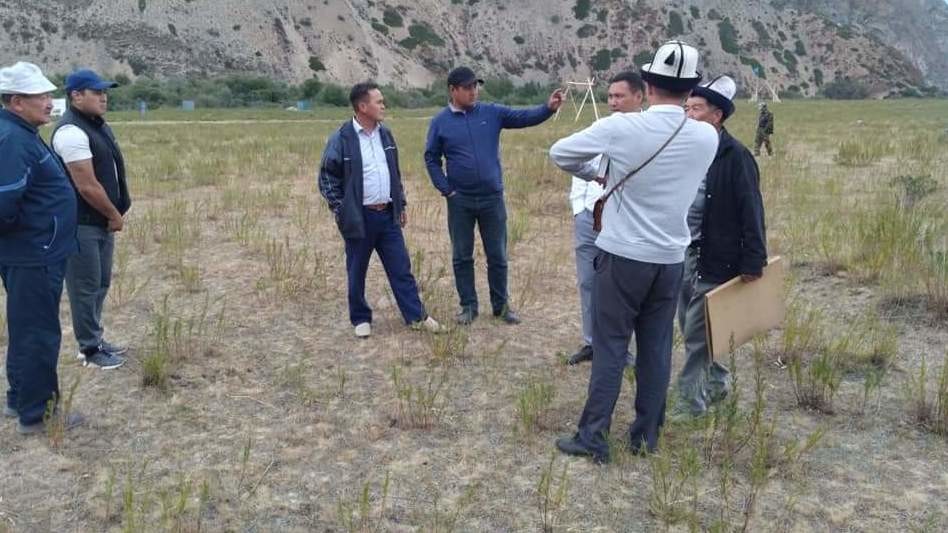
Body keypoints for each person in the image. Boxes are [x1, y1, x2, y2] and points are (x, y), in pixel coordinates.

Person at [549, 41, 718, 461]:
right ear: (690, 89)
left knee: (610, 347)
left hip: (622, 254)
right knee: (656, 350)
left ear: (648, 86)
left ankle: (593, 436)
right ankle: (645, 437)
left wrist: (598, 173)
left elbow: (560, 152)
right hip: (670, 257)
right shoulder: (705, 136)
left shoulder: (623, 127)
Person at [424, 67, 564, 325]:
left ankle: (501, 307)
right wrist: (447, 189)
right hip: (460, 200)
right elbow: (431, 158)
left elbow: (523, 117)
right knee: (462, 256)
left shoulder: (491, 112)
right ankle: (468, 307)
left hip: (492, 199)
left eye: (475, 86)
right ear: (453, 90)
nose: (473, 91)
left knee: (498, 255)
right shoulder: (440, 122)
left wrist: (548, 108)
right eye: (467, 87)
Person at [318, 82, 444, 338]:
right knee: (357, 270)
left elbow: (394, 173)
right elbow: (327, 177)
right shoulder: (342, 138)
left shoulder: (385, 134)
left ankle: (416, 317)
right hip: (358, 217)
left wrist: (400, 203)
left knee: (401, 268)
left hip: (387, 215)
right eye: (379, 102)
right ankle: (360, 319)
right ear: (363, 107)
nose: (384, 105)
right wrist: (341, 209)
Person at [674, 76, 767, 417]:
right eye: (687, 108)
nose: (689, 115)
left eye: (697, 109)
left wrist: (754, 261)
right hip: (683, 254)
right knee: (692, 325)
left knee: (697, 334)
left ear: (717, 116)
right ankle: (717, 381)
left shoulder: (736, 156)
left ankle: (690, 404)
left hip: (716, 257)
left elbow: (751, 209)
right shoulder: (686, 152)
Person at [0, 61, 83, 434]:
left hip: (33, 251)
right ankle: (38, 415)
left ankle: (19, 399)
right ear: (17, 101)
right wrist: (31, 237)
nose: (50, 102)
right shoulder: (14, 140)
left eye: (49, 94)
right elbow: (4, 203)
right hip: (34, 254)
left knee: (26, 327)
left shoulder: (21, 132)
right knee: (38, 333)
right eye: (41, 96)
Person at [51, 69, 130, 370]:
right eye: (96, 92)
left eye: (104, 92)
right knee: (85, 287)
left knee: (100, 282)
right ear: (76, 96)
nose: (104, 97)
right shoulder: (71, 132)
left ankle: (95, 338)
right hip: (82, 224)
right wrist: (113, 214)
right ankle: (89, 349)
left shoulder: (95, 125)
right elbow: (86, 185)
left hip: (98, 222)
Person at [567, 71, 645, 366]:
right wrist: (579, 208)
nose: (613, 102)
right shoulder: (600, 129)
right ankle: (592, 343)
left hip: (624, 221)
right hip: (589, 217)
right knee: (589, 283)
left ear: (639, 97)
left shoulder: (649, 135)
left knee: (622, 288)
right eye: (610, 96)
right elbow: (577, 163)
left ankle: (621, 348)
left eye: (619, 96)